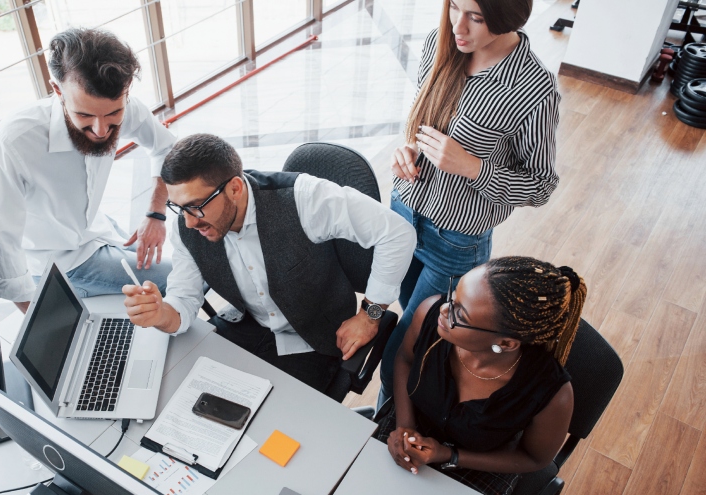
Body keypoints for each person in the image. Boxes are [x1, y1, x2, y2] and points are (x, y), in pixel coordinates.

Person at [123, 134, 415, 393]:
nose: (188, 221)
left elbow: (398, 233)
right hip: (246, 325)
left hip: (314, 338)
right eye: (179, 207)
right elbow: (184, 299)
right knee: (181, 393)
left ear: (235, 188)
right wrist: (162, 314)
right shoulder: (186, 225)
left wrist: (370, 315)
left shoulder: (305, 199)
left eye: (196, 206)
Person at [380, 0, 561, 404]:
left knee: (399, 354)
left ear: (505, 17)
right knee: (418, 327)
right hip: (403, 212)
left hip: (454, 241)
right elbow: (423, 120)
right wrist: (407, 149)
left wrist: (473, 167)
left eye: (476, 18)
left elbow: (541, 185)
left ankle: (385, 433)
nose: (459, 26)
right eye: (454, 7)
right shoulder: (440, 43)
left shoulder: (534, 90)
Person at [0, 28, 176, 313]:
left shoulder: (127, 107)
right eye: (85, 115)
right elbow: (0, 239)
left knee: (187, 266)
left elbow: (166, 148)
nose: (100, 130)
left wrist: (156, 214)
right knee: (177, 278)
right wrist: (38, 316)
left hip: (97, 229)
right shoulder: (16, 140)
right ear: (57, 89)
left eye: (113, 116)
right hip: (59, 261)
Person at [375, 256, 585, 495]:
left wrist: (450, 455)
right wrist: (404, 427)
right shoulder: (429, 314)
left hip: (482, 462)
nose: (444, 309)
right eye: (453, 295)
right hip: (412, 421)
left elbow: (534, 458)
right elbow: (405, 359)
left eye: (460, 315)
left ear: (505, 343)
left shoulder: (551, 394)